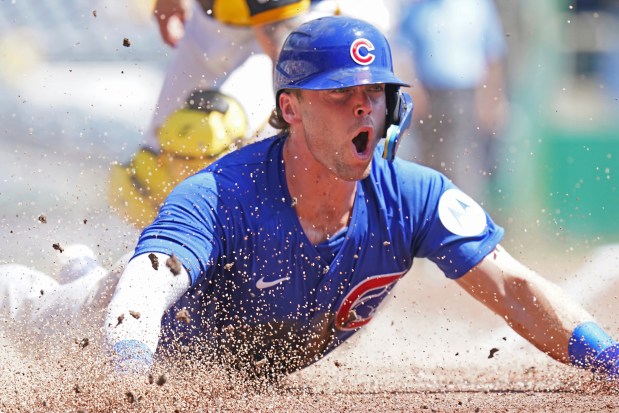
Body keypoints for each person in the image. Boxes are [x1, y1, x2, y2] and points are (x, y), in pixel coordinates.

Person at [2, 16, 619, 382]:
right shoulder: (223, 194)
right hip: (115, 327)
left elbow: (514, 288)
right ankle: (62, 279)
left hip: (238, 366)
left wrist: (607, 357)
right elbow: (143, 294)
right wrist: (132, 377)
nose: (362, 106)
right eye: (337, 93)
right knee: (34, 309)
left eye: (374, 92)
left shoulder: (412, 197)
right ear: (289, 109)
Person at [108, 0, 393, 228]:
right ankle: (160, 268)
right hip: (214, 19)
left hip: (299, 29)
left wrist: (303, 127)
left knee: (205, 134)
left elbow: (281, 45)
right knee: (144, 182)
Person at [395, 0, 509, 202]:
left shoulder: (478, 6)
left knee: (464, 159)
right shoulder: (417, 9)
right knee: (429, 159)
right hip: (428, 94)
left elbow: (493, 54)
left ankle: (467, 219)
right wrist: (413, 90)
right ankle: (431, 218)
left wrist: (491, 98)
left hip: (467, 94)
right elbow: (404, 52)